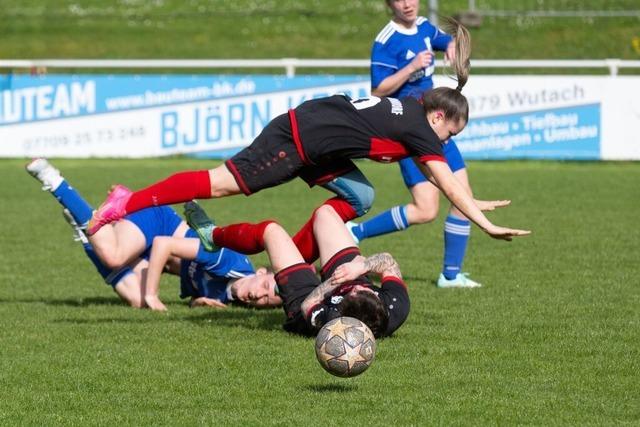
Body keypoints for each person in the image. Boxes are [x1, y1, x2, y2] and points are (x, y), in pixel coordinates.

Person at [87, 19, 530, 259]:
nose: (445, 143)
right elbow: (447, 181)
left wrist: (477, 203)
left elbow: (443, 180)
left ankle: (281, 254)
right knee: (219, 183)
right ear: (438, 115)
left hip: (320, 141)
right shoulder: (419, 127)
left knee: (359, 196)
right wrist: (484, 221)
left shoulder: (413, 112)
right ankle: (126, 202)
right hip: (296, 141)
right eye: (448, 134)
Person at [348, 1, 510, 288]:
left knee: (463, 197)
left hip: (440, 125)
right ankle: (357, 232)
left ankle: (450, 275)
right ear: (390, 4)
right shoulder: (385, 40)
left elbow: (445, 39)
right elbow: (377, 89)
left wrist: (450, 46)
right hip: (411, 133)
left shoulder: (423, 26)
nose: (407, 3)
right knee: (426, 210)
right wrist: (411, 67)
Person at [26, 158, 281, 310]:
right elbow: (163, 244)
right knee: (115, 258)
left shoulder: (229, 300)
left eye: (267, 301)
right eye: (266, 286)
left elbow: (194, 289)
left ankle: (87, 233)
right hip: (158, 223)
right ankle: (55, 180)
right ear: (261, 271)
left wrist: (197, 303)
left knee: (137, 301)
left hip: (152, 251)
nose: (259, 295)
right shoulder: (232, 261)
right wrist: (153, 294)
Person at [183, 201, 409, 338]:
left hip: (306, 301)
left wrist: (336, 282)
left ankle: (212, 235)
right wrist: (361, 266)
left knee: (271, 231)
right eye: (366, 289)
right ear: (376, 298)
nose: (358, 287)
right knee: (325, 214)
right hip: (343, 277)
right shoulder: (396, 308)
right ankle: (290, 258)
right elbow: (387, 261)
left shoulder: (330, 322)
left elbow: (308, 304)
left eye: (354, 292)